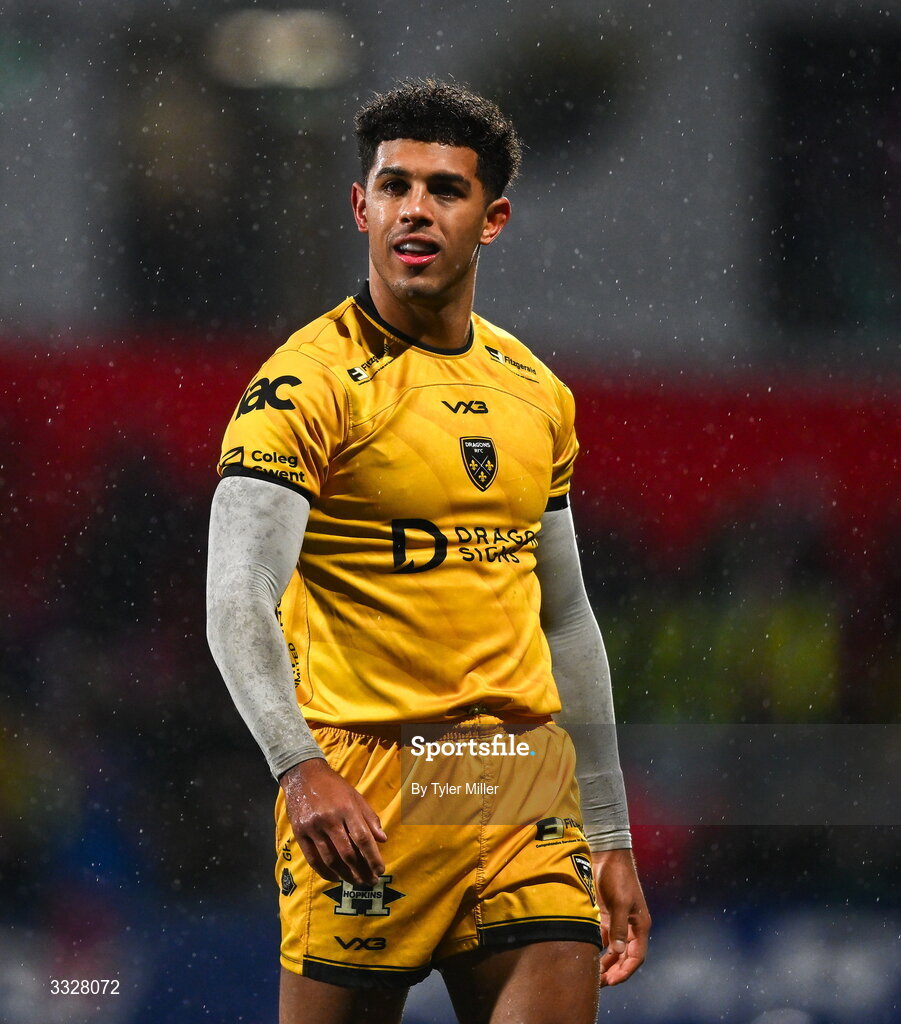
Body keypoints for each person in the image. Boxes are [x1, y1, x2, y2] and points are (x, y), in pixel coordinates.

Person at [207, 79, 650, 1024]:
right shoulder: (303, 386)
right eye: (394, 186)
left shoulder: (537, 392)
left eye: (444, 190)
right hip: (365, 789)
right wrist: (296, 765)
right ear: (360, 206)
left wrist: (609, 828)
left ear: (491, 220)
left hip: (520, 785)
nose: (415, 208)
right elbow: (237, 593)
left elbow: (565, 617)